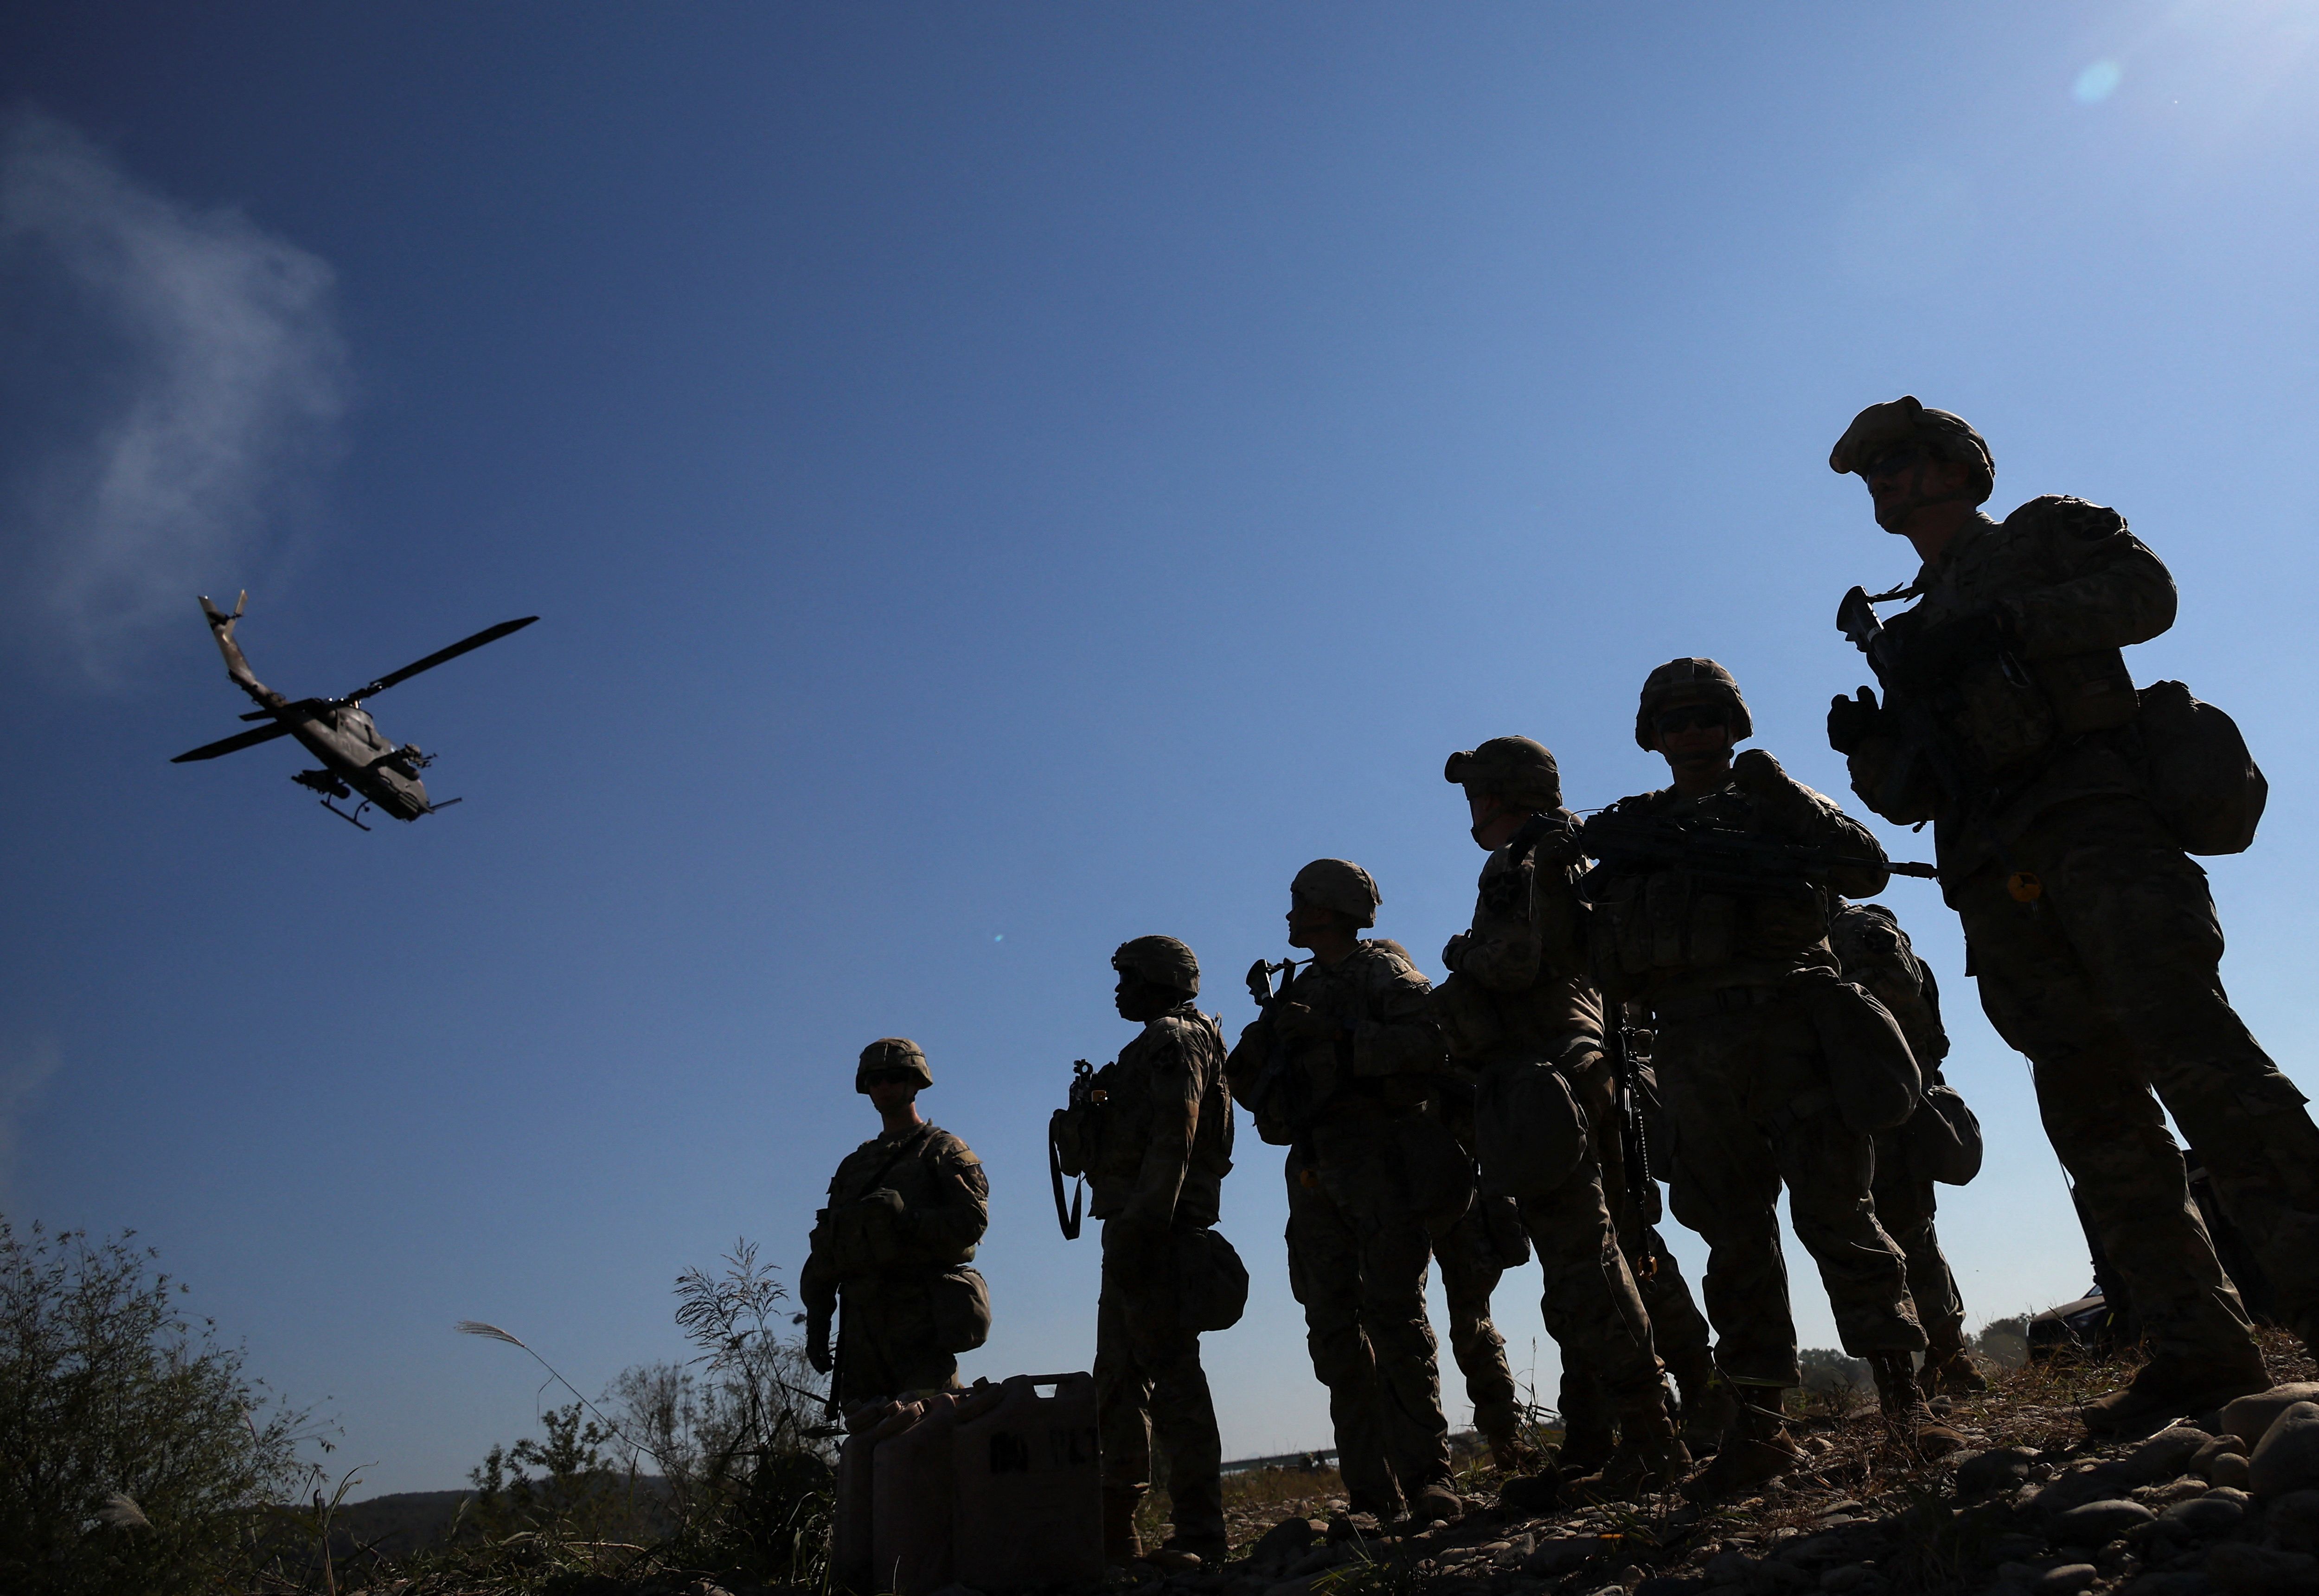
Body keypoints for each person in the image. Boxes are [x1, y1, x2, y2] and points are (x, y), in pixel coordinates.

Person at [1827, 396, 2319, 1431]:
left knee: (2203, 1063)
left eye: (1906, 461)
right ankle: (2196, 1349)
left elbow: (2147, 595)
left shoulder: (2045, 532)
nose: (1888, 482)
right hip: (1996, 873)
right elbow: (1917, 794)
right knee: (2091, 1110)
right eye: (1874, 473)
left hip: (2099, 827)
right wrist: (1871, 751)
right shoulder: (1908, 625)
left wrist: (2003, 623)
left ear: (1961, 464)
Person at [1587, 664, 1954, 1497]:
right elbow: (1592, 951)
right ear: (1654, 734)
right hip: (1688, 1049)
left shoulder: (1775, 802)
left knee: (1840, 1215)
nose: (1692, 733)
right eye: (1675, 721)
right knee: (1733, 1241)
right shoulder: (1633, 832)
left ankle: (1905, 1404)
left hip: (1792, 1030)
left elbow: (1864, 867)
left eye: (1708, 716)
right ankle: (1759, 1428)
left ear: (1734, 722)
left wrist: (1786, 790)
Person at [1433, 736, 1687, 1497]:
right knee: (1587, 1258)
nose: (1471, 807)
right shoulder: (1566, 849)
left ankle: (1650, 1436)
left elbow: (1514, 962)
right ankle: (1592, 1436)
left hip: (1547, 1068)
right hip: (1581, 1064)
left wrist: (1459, 962)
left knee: (1586, 1259)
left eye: (1478, 791)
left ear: (1504, 793)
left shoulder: (1524, 858)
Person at [1226, 860, 1469, 1527]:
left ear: (1329, 912)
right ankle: (1370, 1491)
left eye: (1299, 903)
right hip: (1312, 1167)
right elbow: (1247, 1078)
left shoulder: (1383, 975)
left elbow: (1431, 1044)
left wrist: (1338, 1036)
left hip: (1381, 1161)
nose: (1289, 914)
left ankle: (1427, 1479)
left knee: (1395, 1318)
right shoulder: (1297, 987)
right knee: (1333, 1329)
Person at [1064, 936, 1234, 1568]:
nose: (1117, 988)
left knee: (1173, 1375)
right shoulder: (1156, 1040)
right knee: (1117, 1374)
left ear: (1157, 978)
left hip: (1156, 1230)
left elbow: (1177, 1135)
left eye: (1127, 975)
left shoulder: (1174, 1037)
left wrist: (1144, 1225)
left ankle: (1200, 1530)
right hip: (1135, 1226)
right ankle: (1117, 1530)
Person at [1826, 900, 1986, 1395]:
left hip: (1888, 1100)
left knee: (1907, 1231)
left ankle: (1949, 1356)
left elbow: (1902, 990)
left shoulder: (1855, 928)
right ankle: (1942, 1356)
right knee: (1892, 1231)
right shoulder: (1823, 934)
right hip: (1859, 1100)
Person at [800, 1039, 990, 1409]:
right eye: (874, 1080)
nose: (883, 1086)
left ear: (915, 1082)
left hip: (921, 1327)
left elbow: (972, 1224)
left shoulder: (943, 1150)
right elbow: (828, 1252)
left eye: (893, 1077)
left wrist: (909, 1217)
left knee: (927, 1435)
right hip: (861, 1337)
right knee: (869, 1447)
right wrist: (818, 1327)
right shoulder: (854, 1167)